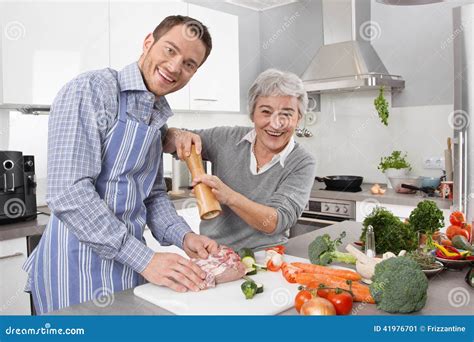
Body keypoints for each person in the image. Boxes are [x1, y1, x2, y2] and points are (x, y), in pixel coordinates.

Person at [22, 15, 220, 315]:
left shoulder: (156, 115)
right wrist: (147, 260)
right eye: (170, 50)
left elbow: (152, 195)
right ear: (148, 42)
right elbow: (69, 193)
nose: (176, 66)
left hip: (128, 269)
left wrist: (184, 236)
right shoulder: (92, 90)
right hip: (75, 269)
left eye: (190, 64)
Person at [164, 69, 316, 251]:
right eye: (266, 112)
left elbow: (276, 221)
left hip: (267, 258)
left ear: (299, 118)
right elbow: (169, 141)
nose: (276, 123)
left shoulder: (302, 162)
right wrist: (177, 134)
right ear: (252, 114)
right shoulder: (226, 138)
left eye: (287, 114)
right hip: (214, 252)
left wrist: (229, 197)